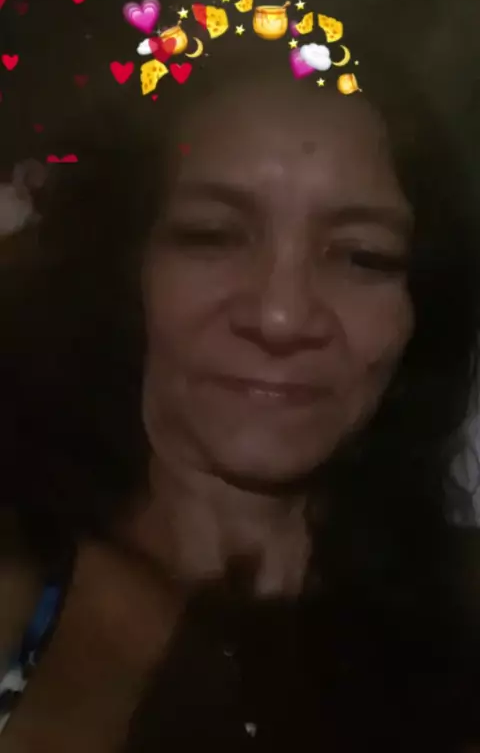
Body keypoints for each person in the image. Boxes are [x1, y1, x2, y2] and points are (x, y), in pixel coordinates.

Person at [1, 38, 480, 752]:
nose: (281, 317)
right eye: (212, 236)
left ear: (420, 309)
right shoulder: (20, 576)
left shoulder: (460, 615)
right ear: (124, 271)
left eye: (363, 256)